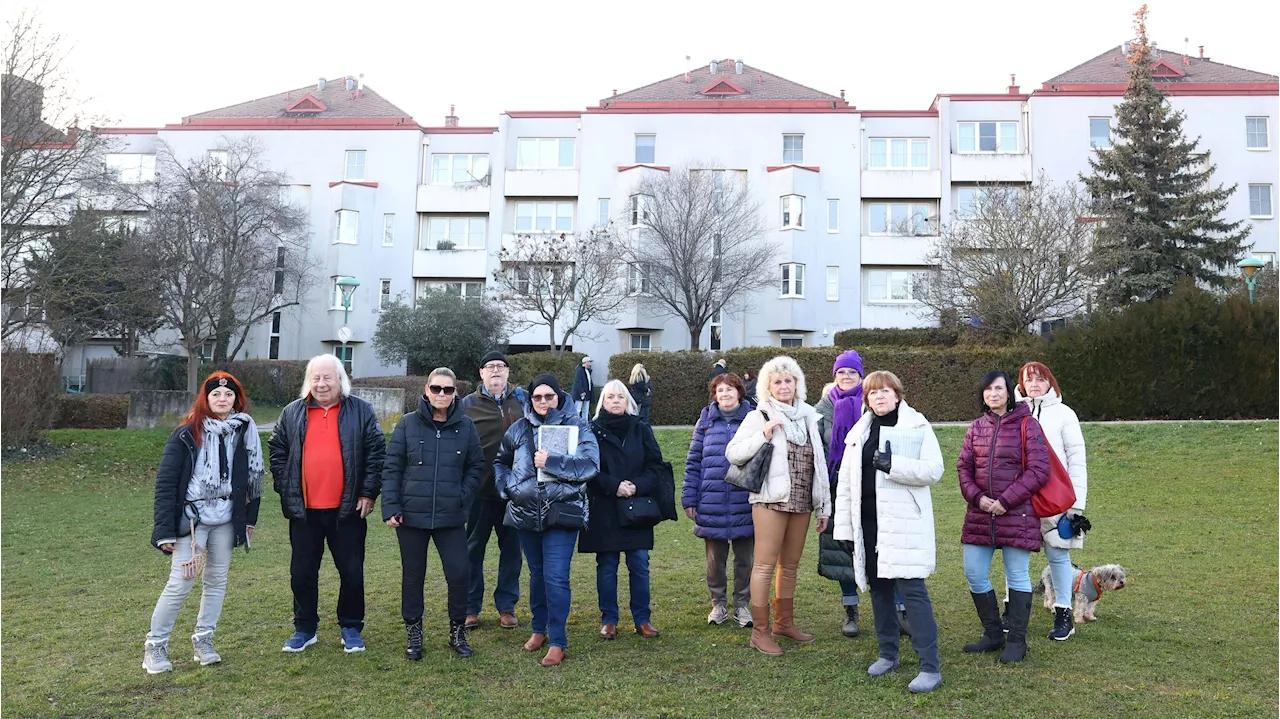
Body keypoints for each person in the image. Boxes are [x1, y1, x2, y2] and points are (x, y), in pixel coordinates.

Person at [143, 372, 263, 674]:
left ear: (237, 399)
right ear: (205, 399)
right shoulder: (186, 432)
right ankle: (155, 646)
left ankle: (204, 640)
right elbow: (166, 484)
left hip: (226, 519)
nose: (222, 399)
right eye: (216, 395)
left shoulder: (243, 431)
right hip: (192, 521)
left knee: (217, 582)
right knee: (181, 583)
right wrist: (164, 531)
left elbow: (253, 480)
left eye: (229, 395)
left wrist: (249, 519)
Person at [833, 371, 944, 694]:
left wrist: (892, 465)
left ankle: (930, 667)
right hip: (869, 525)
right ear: (866, 399)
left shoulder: (917, 426)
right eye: (872, 393)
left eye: (885, 391)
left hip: (903, 524)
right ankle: (888, 654)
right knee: (879, 591)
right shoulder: (859, 432)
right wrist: (844, 528)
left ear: (897, 394)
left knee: (912, 593)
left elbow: (933, 470)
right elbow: (847, 485)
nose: (879, 397)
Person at [269, 354, 385, 654]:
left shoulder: (361, 411)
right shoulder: (292, 412)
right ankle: (305, 628)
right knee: (302, 573)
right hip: (304, 510)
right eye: (316, 378)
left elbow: (376, 453)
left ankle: (350, 626)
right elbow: (277, 450)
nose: (321, 384)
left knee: (351, 571)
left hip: (347, 510)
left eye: (327, 378)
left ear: (340, 380)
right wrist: (286, 486)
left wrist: (368, 493)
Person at [725, 356, 831, 656]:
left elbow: (818, 464)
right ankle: (760, 632)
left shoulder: (810, 415)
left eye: (789, 380)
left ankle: (784, 623)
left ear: (797, 383)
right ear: (767, 387)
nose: (784, 386)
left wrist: (823, 505)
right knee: (764, 565)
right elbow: (733, 453)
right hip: (770, 500)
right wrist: (764, 434)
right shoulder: (759, 415)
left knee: (791, 566)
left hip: (802, 500)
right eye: (778, 382)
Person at [495, 373, 600, 667]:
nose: (543, 401)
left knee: (555, 576)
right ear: (530, 400)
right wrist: (507, 488)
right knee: (537, 574)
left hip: (562, 512)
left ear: (559, 396)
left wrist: (551, 462)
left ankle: (557, 641)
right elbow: (500, 460)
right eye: (537, 397)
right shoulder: (518, 428)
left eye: (549, 396)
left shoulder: (576, 425)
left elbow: (591, 466)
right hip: (526, 513)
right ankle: (539, 629)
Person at [382, 368, 486, 660]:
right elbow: (392, 468)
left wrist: (462, 497)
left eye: (448, 390)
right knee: (413, 577)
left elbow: (476, 466)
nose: (442, 394)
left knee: (459, 573)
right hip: (411, 517)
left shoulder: (466, 427)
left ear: (456, 393)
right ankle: (414, 633)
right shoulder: (407, 425)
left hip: (450, 517)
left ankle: (457, 633)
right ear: (426, 390)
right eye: (437, 388)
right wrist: (391, 507)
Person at [814, 351, 910, 639]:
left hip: (876, 489)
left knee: (885, 549)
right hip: (838, 489)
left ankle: (899, 609)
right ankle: (851, 610)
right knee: (842, 551)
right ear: (834, 376)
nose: (846, 377)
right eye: (841, 372)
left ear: (861, 376)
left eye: (852, 373)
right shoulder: (820, 411)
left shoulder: (873, 404)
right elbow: (818, 454)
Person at [957, 369, 1050, 664]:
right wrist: (978, 498)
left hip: (1018, 513)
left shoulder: (1028, 425)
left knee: (1017, 575)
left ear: (1009, 392)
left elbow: (1039, 470)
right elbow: (964, 468)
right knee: (973, 572)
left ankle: (1017, 641)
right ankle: (994, 633)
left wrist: (1005, 501)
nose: (993, 394)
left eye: (998, 389)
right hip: (979, 514)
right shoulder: (975, 427)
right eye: (988, 390)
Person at [579, 380, 665, 640]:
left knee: (639, 563)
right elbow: (587, 467)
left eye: (620, 397)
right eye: (610, 397)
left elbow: (656, 467)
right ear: (602, 402)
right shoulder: (591, 430)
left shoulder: (641, 429)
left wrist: (636, 487)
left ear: (628, 401)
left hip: (637, 507)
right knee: (607, 564)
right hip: (604, 506)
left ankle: (642, 619)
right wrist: (614, 486)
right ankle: (609, 619)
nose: (615, 401)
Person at [1015, 361, 1088, 642]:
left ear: (1050, 382)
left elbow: (1076, 460)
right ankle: (1014, 609)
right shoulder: (1014, 412)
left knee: (1058, 555)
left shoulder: (1064, 414)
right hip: (1021, 497)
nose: (1034, 384)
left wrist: (1076, 505)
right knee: (1016, 556)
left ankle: (1063, 613)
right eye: (1028, 379)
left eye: (1040, 378)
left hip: (1056, 499)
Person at [459, 351, 527, 631]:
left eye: (501, 367)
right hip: (479, 492)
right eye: (490, 367)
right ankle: (470, 607)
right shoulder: (466, 405)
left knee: (512, 551)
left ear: (508, 372)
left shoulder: (522, 401)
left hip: (515, 493)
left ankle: (507, 607)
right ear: (481, 373)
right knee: (472, 551)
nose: (496, 371)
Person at [683, 372, 756, 628]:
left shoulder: (754, 419)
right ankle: (719, 604)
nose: (725, 394)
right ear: (715, 395)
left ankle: (743, 605)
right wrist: (689, 497)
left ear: (739, 392)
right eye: (720, 390)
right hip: (711, 499)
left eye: (729, 389)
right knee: (715, 561)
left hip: (744, 499)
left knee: (745, 559)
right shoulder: (705, 422)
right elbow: (693, 462)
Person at [571, 356, 595, 421]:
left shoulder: (588, 371)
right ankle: (576, 422)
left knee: (585, 409)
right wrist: (581, 392)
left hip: (587, 393)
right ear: (585, 362)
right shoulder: (579, 370)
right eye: (589, 362)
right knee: (578, 409)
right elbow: (578, 382)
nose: (590, 364)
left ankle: (585, 423)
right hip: (580, 393)